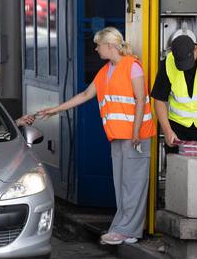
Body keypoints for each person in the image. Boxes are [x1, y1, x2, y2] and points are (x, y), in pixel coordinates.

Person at [37, 27, 155, 245]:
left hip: (134, 136)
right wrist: (55, 110)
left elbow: (141, 99)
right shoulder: (106, 70)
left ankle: (128, 230)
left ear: (109, 46)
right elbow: (85, 95)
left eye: (98, 45)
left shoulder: (133, 67)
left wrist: (137, 131)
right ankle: (123, 228)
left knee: (133, 184)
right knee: (122, 185)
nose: (95, 48)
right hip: (118, 136)